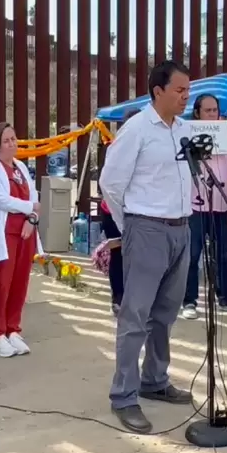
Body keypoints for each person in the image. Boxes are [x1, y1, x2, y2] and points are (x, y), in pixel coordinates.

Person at [99, 60, 194, 434]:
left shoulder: (183, 129)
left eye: (188, 90)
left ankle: (154, 380)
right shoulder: (137, 129)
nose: (186, 97)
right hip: (147, 229)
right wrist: (131, 228)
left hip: (181, 229)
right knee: (134, 316)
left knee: (165, 314)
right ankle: (124, 395)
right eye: (180, 91)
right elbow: (110, 183)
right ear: (158, 91)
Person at [0, 122, 42, 358]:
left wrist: (32, 218)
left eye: (14, 139)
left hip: (26, 231)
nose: (12, 144)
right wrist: (31, 207)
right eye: (7, 141)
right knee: (2, 284)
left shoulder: (21, 167)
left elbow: (33, 194)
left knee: (20, 282)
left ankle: (13, 329)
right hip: (3, 233)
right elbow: (1, 199)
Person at [181, 94, 227, 319]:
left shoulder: (226, 137)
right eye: (207, 110)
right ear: (197, 113)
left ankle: (225, 298)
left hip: (221, 205)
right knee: (193, 254)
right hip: (194, 206)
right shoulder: (186, 135)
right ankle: (189, 302)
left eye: (215, 110)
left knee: (223, 255)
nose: (212, 114)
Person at [101, 108, 141, 316]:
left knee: (138, 256)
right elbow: (109, 183)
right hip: (113, 210)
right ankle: (118, 297)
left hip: (137, 210)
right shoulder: (115, 147)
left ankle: (135, 298)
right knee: (119, 254)